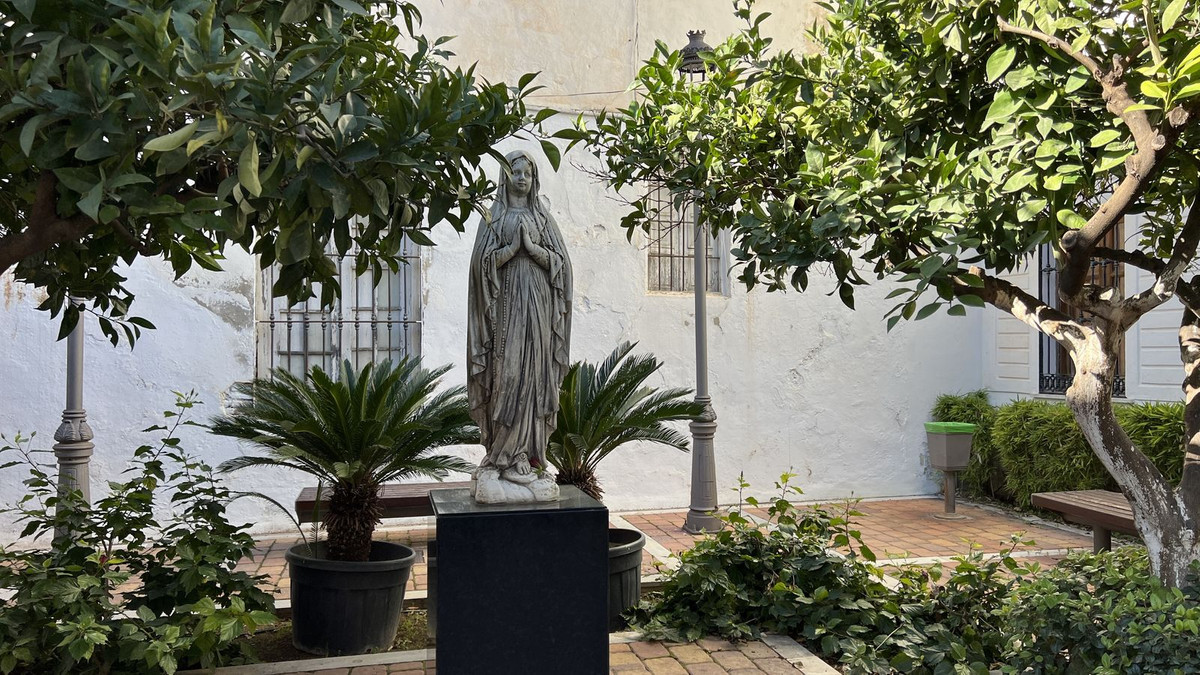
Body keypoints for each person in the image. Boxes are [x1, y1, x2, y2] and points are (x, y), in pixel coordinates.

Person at [467, 150, 572, 498]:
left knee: (535, 377)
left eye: (527, 173)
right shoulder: (493, 218)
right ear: (505, 177)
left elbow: (562, 266)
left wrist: (534, 250)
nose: (522, 178)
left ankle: (529, 455)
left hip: (539, 310)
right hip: (506, 311)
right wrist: (512, 249)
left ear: (534, 178)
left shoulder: (543, 219)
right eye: (516, 172)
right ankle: (500, 457)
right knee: (508, 376)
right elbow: (480, 268)